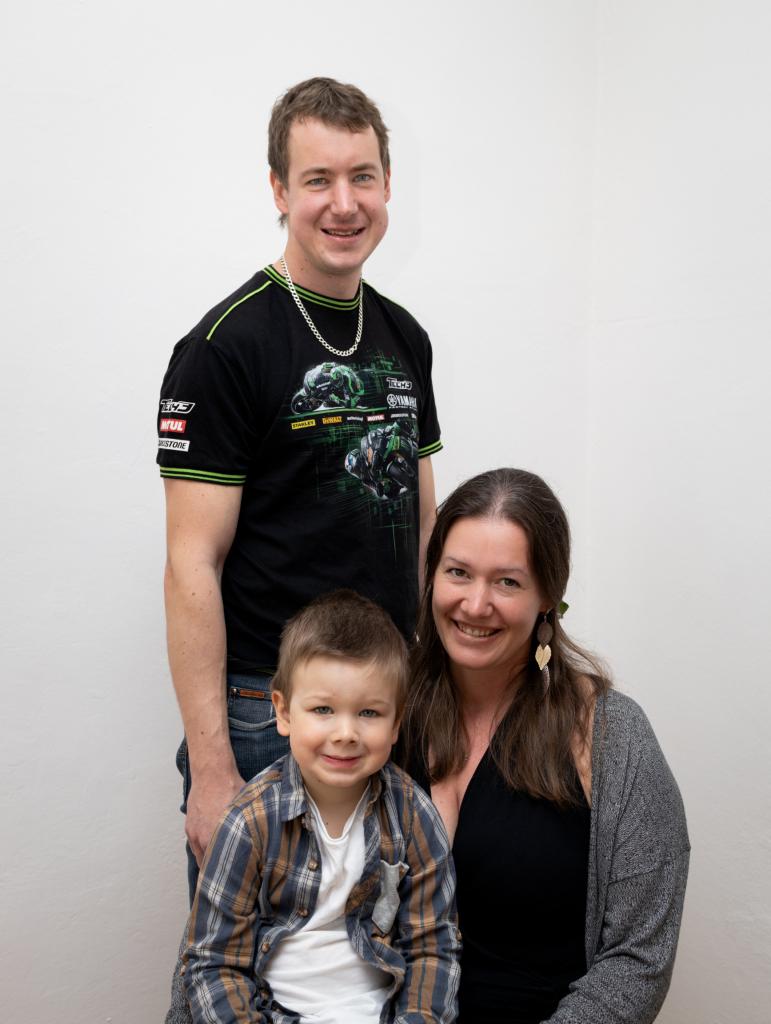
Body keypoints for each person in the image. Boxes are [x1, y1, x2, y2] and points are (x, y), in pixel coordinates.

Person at [156, 77, 442, 904]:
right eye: (318, 179)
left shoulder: (404, 336)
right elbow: (190, 563)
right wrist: (212, 768)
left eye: (362, 177)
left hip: (385, 705)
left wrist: (433, 697)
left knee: (371, 952)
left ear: (387, 186)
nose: (344, 203)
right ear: (279, 190)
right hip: (266, 718)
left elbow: (424, 523)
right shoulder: (224, 347)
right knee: (250, 961)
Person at [397, 468, 690, 1024]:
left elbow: (638, 960)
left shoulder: (610, 734)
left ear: (548, 596)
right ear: (431, 575)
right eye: (458, 572)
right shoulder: (379, 713)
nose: (475, 604)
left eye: (507, 582)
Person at [183, 590, 461, 1024]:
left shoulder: (413, 816)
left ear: (396, 722)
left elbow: (433, 949)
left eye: (369, 713)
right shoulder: (249, 822)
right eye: (323, 709)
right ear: (283, 712)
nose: (345, 732)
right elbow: (213, 963)